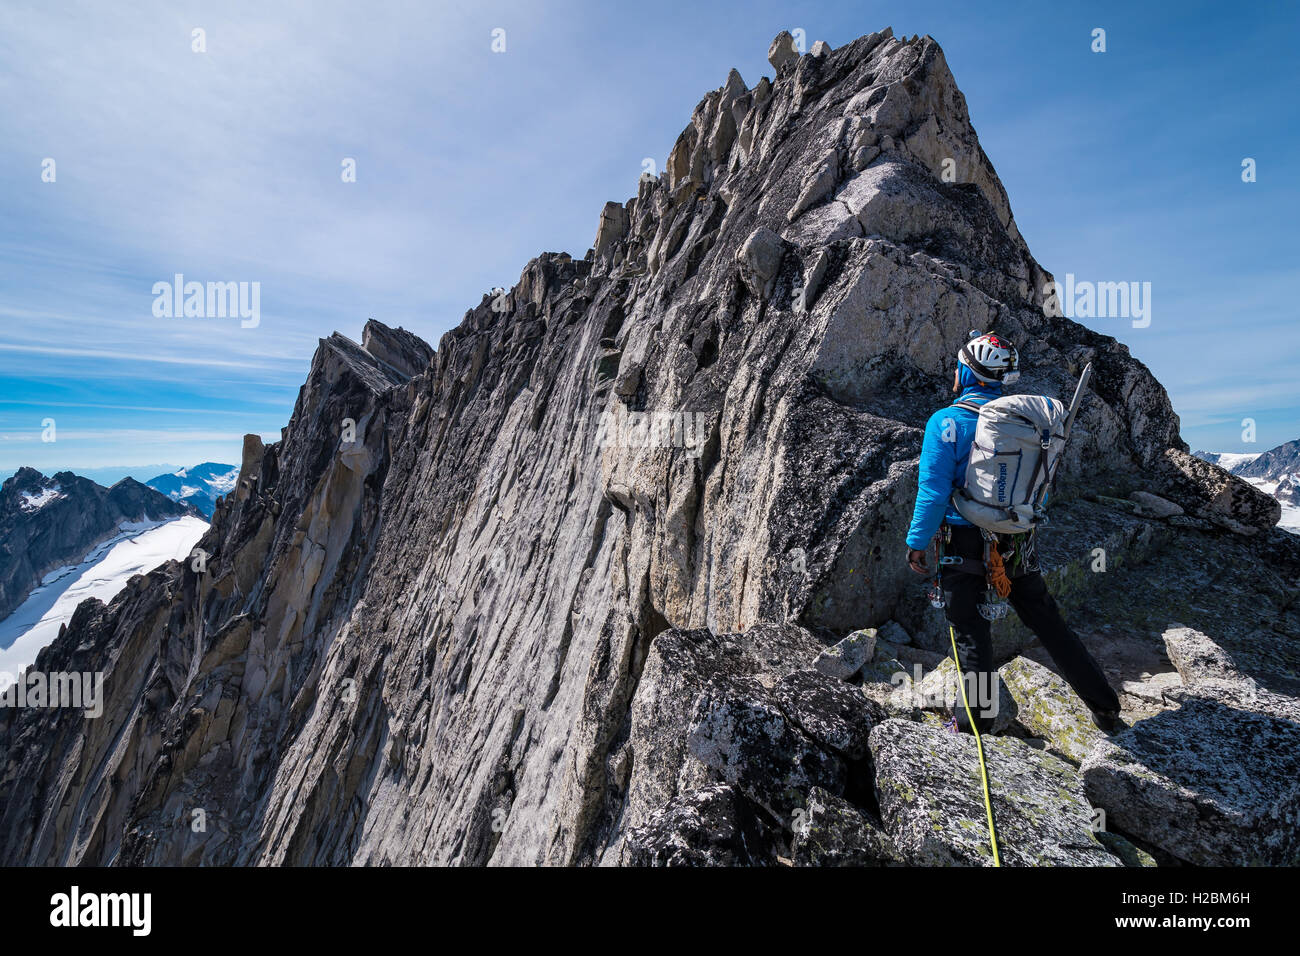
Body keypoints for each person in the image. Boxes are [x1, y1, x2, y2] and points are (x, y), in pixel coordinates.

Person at [904, 333, 1122, 734]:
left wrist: (917, 544)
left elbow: (933, 492)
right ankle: (1105, 706)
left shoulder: (946, 422)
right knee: (1046, 620)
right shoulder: (1024, 423)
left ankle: (974, 723)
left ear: (966, 371)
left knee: (970, 630)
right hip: (1016, 539)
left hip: (962, 541)